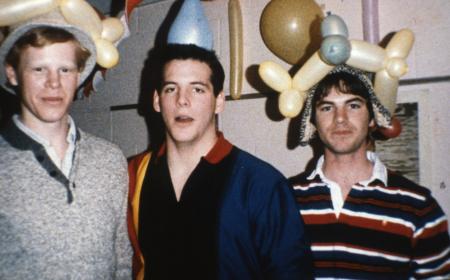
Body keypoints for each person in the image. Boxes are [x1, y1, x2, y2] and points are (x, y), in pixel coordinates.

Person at [128, 43, 312, 280]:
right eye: (171, 89)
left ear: (219, 101)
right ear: (156, 100)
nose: (182, 100)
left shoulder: (261, 185)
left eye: (197, 90)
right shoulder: (132, 175)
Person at [0, 10, 132, 279]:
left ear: (79, 73)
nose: (54, 83)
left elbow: (122, 262)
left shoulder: (111, 159)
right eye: (39, 69)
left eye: (65, 69)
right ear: (12, 74)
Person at [290, 64, 450, 279]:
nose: (340, 118)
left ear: (373, 118)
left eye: (353, 105)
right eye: (327, 107)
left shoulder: (417, 205)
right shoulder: (285, 198)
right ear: (314, 122)